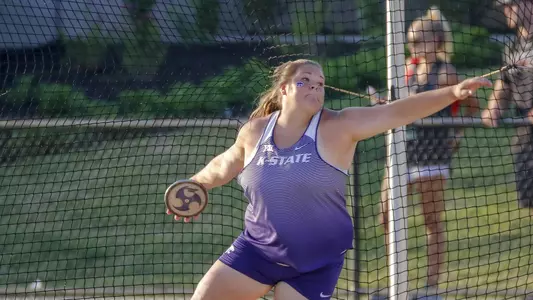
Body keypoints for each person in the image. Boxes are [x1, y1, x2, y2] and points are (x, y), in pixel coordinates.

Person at [166, 58, 491, 300]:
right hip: (257, 251)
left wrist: (453, 92)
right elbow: (223, 165)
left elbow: (397, 112)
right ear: (284, 89)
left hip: (314, 264)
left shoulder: (339, 126)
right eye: (306, 80)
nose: (316, 87)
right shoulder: (254, 132)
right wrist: (195, 185)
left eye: (321, 83)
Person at [376, 6, 481, 291]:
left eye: (418, 40)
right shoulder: (407, 69)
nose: (413, 46)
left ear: (436, 40)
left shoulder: (445, 72)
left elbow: (471, 106)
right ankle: (399, 284)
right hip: (401, 152)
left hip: (431, 153)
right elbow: (401, 107)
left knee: (431, 221)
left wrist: (456, 135)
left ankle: (431, 288)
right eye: (411, 41)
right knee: (386, 214)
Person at [482, 0, 533, 214]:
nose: (506, 10)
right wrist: (493, 107)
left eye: (511, 4)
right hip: (525, 140)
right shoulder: (512, 47)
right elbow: (503, 86)